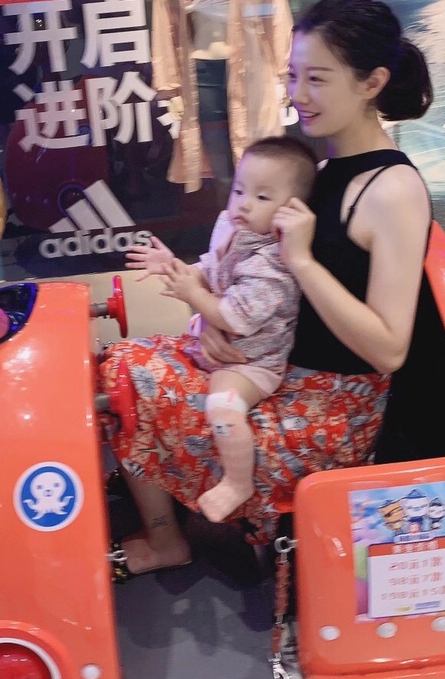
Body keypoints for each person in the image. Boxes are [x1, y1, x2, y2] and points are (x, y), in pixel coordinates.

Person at [100, 0, 433, 576]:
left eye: (318, 79)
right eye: (293, 76)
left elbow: (389, 350)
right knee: (121, 361)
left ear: (373, 82)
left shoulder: (394, 190)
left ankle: (170, 536)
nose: (299, 94)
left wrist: (302, 261)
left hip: (332, 404)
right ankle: (167, 530)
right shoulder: (318, 171)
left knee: (133, 378)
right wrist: (212, 326)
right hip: (275, 363)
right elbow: (254, 280)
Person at [125, 137, 317, 523]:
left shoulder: (273, 265)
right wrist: (175, 267)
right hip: (217, 345)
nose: (243, 203)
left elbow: (234, 317)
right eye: (240, 190)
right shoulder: (233, 228)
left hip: (251, 364)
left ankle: (237, 482)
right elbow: (210, 270)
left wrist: (194, 294)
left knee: (224, 407)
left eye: (262, 197)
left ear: (291, 211)